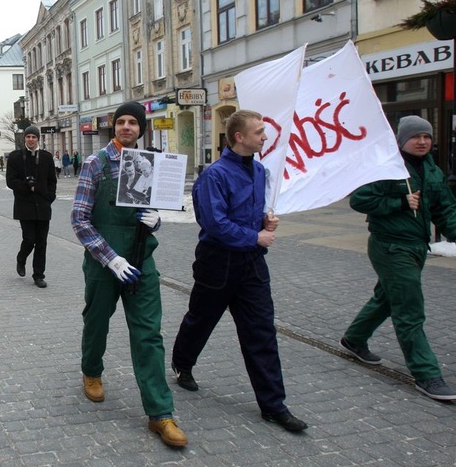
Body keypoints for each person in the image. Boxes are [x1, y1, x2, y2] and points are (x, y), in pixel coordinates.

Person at [172, 109, 308, 433]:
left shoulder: (260, 171)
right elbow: (214, 223)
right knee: (200, 320)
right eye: (259, 132)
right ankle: (183, 363)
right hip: (217, 262)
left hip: (252, 265)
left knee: (261, 332)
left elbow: (253, 213)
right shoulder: (214, 175)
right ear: (239, 137)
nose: (264, 137)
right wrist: (255, 235)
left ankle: (274, 405)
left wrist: (265, 222)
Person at [71, 101, 187, 448]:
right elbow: (79, 219)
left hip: (141, 262)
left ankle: (161, 413)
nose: (126, 127)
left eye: (132, 123)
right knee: (97, 321)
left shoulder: (151, 164)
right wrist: (110, 259)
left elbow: (158, 209)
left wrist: (157, 221)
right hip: (104, 261)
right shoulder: (96, 163)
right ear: (113, 126)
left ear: (140, 129)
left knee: (149, 334)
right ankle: (91, 370)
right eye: (120, 121)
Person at [340, 115, 456, 402]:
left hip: (417, 246)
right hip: (390, 246)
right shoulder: (387, 168)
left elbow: (446, 209)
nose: (422, 141)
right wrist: (400, 202)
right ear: (402, 140)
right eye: (416, 137)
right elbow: (359, 200)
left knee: (387, 298)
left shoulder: (432, 170)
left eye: (427, 136)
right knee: (409, 308)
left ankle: (354, 339)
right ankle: (426, 373)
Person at [6, 125, 57, 288]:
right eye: (28, 137)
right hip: (24, 205)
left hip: (43, 205)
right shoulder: (15, 157)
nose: (31, 140)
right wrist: (26, 185)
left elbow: (52, 181)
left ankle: (38, 275)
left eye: (34, 137)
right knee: (29, 239)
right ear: (24, 139)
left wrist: (50, 197)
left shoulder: (46, 157)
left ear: (38, 139)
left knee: (41, 242)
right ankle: (21, 259)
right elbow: (10, 181)